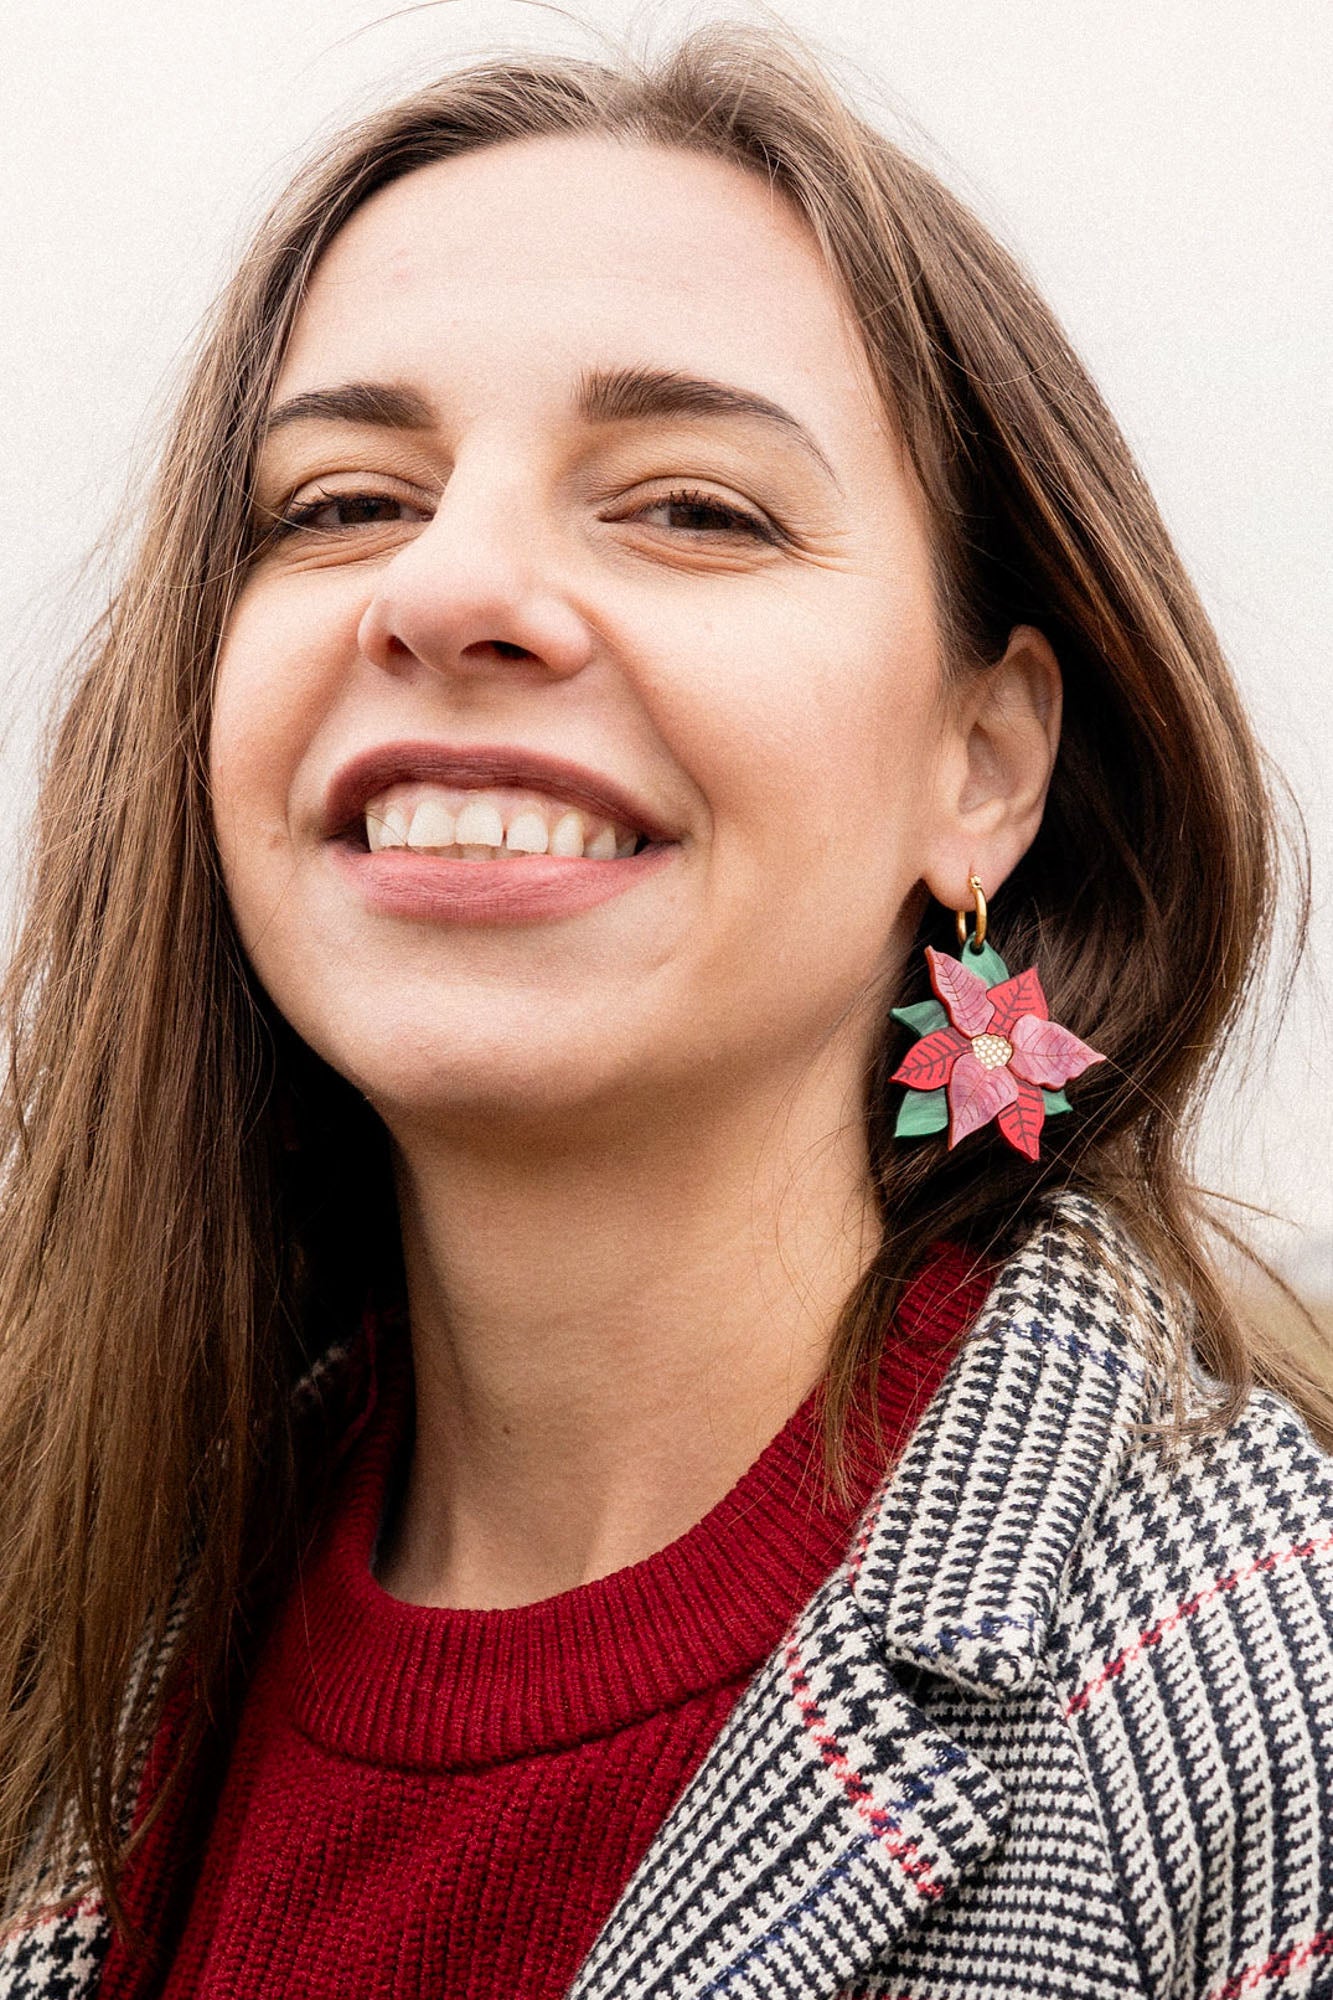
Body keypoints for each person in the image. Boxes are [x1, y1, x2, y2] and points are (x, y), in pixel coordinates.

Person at [1, 24, 1330, 2000]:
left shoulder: (1264, 1671)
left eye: (692, 507)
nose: (450, 589)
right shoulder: (71, 1631)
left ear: (984, 763)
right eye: (341, 500)